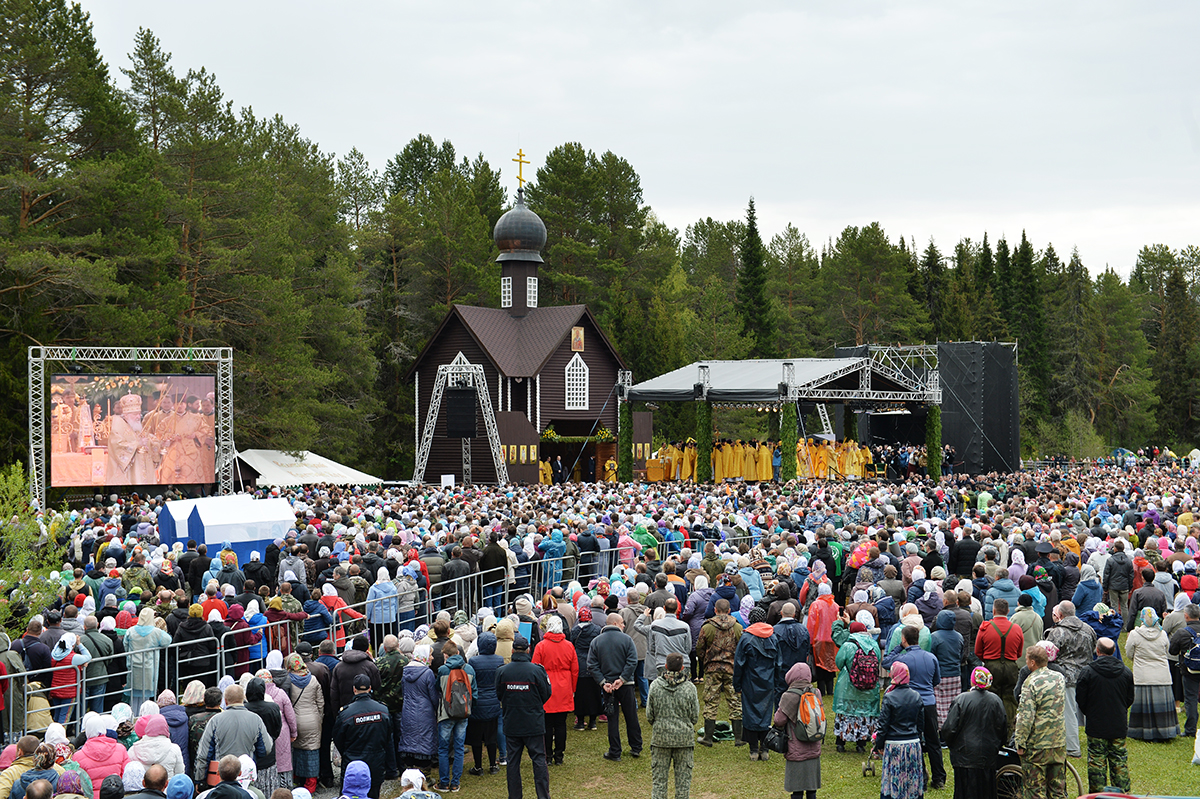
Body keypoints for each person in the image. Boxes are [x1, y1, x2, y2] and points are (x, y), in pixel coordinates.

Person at [495, 635, 551, 799]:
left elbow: (500, 694)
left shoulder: (502, 672)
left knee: (513, 762)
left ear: (512, 651)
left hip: (512, 723)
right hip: (533, 723)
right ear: (528, 650)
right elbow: (546, 693)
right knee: (539, 760)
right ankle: (543, 796)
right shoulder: (536, 671)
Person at [1075, 637, 1134, 793]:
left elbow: (1080, 698)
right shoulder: (1126, 672)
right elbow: (1129, 698)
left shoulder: (1087, 672)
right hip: (1118, 723)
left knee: (1096, 762)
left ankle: (1097, 794)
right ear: (1114, 651)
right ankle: (1123, 794)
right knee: (1119, 761)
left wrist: (1090, 712)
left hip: (1096, 724)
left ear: (1097, 650)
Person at [939, 667, 1007, 799]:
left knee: (964, 791)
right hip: (987, 755)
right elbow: (1002, 728)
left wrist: (953, 746)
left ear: (972, 680)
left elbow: (949, 729)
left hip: (964, 756)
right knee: (987, 791)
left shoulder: (961, 699)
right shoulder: (996, 701)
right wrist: (997, 746)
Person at [893, 624, 945, 790]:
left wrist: (898, 648)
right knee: (933, 741)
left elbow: (887, 661)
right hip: (929, 702)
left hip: (911, 703)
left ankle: (921, 776)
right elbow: (936, 680)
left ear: (904, 639)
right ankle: (939, 778)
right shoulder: (931, 657)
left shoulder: (903, 659)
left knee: (914, 739)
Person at [1043, 600, 1096, 759]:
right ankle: (1095, 746)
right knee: (1089, 712)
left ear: (1059, 614)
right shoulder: (1089, 629)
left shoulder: (1057, 632)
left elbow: (1048, 655)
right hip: (1087, 674)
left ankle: (1072, 748)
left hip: (1066, 676)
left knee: (1069, 713)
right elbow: (1093, 650)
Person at [1015, 644, 1067, 799]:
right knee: (1058, 789)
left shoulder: (1031, 682)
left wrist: (1020, 742)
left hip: (1037, 745)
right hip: (1058, 741)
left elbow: (1026, 717)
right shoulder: (1059, 677)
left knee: (1035, 790)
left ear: (1032, 662)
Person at [586, 613, 641, 762]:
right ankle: (636, 747)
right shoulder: (627, 639)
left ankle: (615, 751)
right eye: (622, 622)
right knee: (631, 716)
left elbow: (591, 664)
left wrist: (603, 682)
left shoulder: (596, 641)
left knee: (612, 718)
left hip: (608, 686)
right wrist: (622, 679)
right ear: (615, 623)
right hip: (626, 684)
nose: (624, 625)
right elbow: (632, 661)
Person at [193, 686, 273, 785]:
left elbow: (203, 754)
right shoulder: (256, 719)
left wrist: (200, 780)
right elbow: (266, 749)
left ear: (225, 701)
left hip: (221, 776)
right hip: (246, 776)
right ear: (243, 699)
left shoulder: (215, 720)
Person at [332, 674, 394, 799]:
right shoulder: (383, 710)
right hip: (376, 763)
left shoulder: (346, 713)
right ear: (370, 688)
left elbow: (338, 739)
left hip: (352, 764)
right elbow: (388, 738)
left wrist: (349, 752)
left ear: (354, 689)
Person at [646, 652, 699, 799]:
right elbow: (694, 716)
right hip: (684, 740)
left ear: (665, 666)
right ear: (682, 668)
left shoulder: (655, 686)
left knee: (659, 783)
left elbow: (649, 715)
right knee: (683, 785)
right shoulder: (690, 688)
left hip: (660, 740)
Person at [732, 607, 782, 760]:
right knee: (766, 714)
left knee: (750, 713)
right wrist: (777, 683)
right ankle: (764, 749)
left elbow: (738, 664)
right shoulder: (773, 637)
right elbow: (779, 664)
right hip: (768, 682)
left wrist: (737, 685)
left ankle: (754, 749)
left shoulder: (746, 638)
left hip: (750, 682)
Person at [1124, 607, 1178, 741]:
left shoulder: (1135, 634)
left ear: (1142, 618)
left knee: (1143, 707)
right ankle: (1165, 731)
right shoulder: (1163, 634)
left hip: (1143, 675)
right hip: (1162, 675)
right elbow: (1167, 651)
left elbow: (1129, 653)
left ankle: (1142, 732)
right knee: (1162, 707)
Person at [873, 662, 925, 799]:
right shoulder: (917, 696)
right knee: (912, 779)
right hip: (912, 744)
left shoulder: (889, 697)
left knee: (894, 780)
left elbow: (883, 725)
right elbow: (920, 724)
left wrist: (879, 745)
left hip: (894, 745)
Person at [530, 616, 576, 767]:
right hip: (564, 687)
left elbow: (535, 668)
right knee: (561, 724)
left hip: (546, 687)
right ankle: (559, 755)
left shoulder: (541, 646)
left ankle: (548, 755)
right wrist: (573, 688)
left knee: (547, 724)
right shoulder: (569, 646)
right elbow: (575, 670)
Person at [831, 618, 880, 754]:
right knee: (864, 713)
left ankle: (841, 742)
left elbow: (839, 663)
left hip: (848, 687)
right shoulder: (874, 645)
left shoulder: (848, 645)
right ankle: (861, 744)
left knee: (846, 712)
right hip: (869, 688)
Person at [772, 663, 821, 799]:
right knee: (812, 789)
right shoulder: (816, 693)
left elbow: (779, 720)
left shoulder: (789, 696)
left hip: (796, 747)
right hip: (814, 743)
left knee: (797, 789)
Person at [973, 597, 1023, 731]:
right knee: (1010, 698)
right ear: (1008, 611)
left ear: (993, 611)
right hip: (1011, 666)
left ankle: (991, 728)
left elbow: (978, 651)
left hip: (991, 666)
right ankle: (1008, 729)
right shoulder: (1016, 628)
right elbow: (1019, 652)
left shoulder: (985, 628)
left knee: (990, 697)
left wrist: (988, 660)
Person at [433, 641, 473, 792]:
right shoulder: (469, 669)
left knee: (443, 749)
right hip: (463, 712)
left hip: (446, 713)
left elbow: (438, 688)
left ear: (445, 655)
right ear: (457, 653)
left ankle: (444, 783)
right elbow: (474, 691)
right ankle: (455, 782)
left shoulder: (443, 670)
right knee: (459, 747)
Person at [1168, 603, 1200, 737]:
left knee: (1191, 699)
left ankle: (1191, 730)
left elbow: (1172, 651)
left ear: (1186, 616)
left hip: (1189, 670)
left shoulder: (1182, 633)